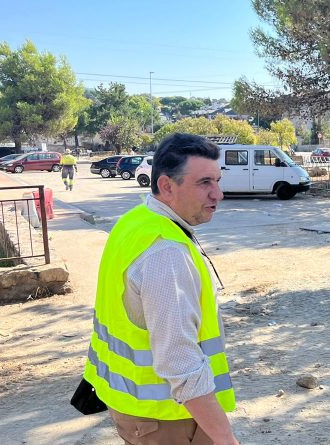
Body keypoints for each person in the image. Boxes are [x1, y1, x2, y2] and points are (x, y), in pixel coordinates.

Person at [82, 133, 239, 445]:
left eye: (218, 180)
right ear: (167, 186)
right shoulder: (166, 252)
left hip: (135, 412)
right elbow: (180, 363)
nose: (218, 194)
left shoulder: (136, 221)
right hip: (170, 420)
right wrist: (226, 439)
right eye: (204, 182)